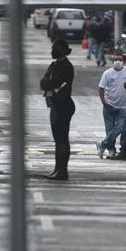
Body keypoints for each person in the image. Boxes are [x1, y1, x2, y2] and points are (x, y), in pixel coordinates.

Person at [39, 38, 75, 180]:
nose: (52, 51)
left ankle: (62, 170)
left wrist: (49, 83)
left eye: (55, 48)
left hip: (63, 104)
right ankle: (57, 168)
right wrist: (48, 83)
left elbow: (56, 83)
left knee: (62, 138)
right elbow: (44, 82)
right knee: (57, 138)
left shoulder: (67, 66)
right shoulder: (54, 65)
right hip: (55, 104)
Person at [95, 55, 126, 159]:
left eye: (120, 60)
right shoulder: (107, 73)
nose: (118, 61)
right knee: (109, 129)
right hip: (109, 106)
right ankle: (111, 150)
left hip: (122, 107)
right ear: (113, 61)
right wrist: (104, 102)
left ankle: (102, 144)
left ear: (123, 61)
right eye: (116, 60)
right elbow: (101, 88)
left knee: (120, 127)